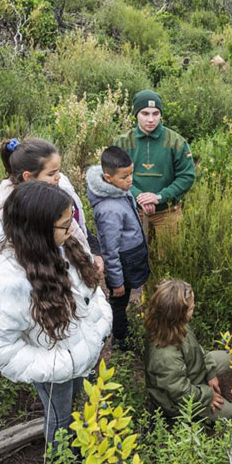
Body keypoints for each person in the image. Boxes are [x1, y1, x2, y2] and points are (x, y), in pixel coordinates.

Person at [0, 181, 112, 446]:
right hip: (55, 372)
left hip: (84, 355)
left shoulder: (66, 248)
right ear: (39, 231)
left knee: (84, 405)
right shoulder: (13, 284)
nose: (73, 229)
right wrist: (56, 365)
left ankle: (83, 449)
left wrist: (101, 325)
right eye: (65, 224)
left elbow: (92, 292)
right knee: (59, 420)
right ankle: (62, 462)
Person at [0, 137, 103, 272]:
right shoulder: (23, 212)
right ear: (28, 177)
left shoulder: (58, 183)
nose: (58, 177)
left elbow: (75, 223)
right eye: (52, 173)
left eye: (58, 170)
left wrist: (91, 252)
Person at [85, 146, 149, 350]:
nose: (130, 180)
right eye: (124, 177)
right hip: (122, 262)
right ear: (107, 177)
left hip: (129, 257)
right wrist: (116, 281)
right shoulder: (108, 209)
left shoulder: (118, 190)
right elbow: (110, 250)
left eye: (131, 174)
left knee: (124, 298)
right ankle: (120, 340)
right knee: (119, 301)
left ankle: (122, 332)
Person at [144, 279, 232, 421]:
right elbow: (180, 392)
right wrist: (207, 395)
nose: (195, 307)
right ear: (176, 314)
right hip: (177, 401)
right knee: (228, 413)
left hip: (191, 371)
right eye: (191, 308)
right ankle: (187, 418)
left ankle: (203, 381)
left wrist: (210, 373)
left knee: (229, 358)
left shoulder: (176, 325)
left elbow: (197, 349)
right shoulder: (165, 356)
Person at [114, 90, 195, 243]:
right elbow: (116, 176)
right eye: (145, 113)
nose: (151, 119)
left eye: (155, 113)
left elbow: (186, 176)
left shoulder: (176, 141)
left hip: (167, 212)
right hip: (133, 212)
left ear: (160, 114)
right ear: (136, 114)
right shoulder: (123, 143)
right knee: (137, 258)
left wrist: (159, 197)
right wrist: (139, 197)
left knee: (169, 259)